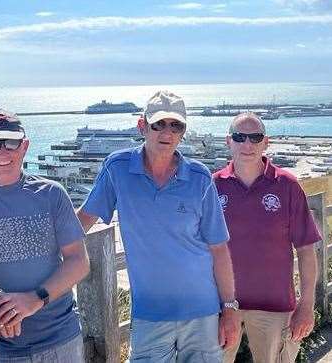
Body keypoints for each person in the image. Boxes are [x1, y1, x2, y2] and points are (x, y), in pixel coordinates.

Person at [77, 90, 240, 362]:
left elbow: (219, 248)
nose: (167, 132)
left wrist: (230, 308)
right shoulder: (117, 168)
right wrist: (43, 254)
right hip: (149, 314)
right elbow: (84, 219)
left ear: (183, 131)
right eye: (159, 124)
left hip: (203, 312)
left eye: (176, 125)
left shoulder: (199, 177)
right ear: (142, 126)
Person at [0, 109, 90, 362]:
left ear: (24, 146)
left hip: (60, 339)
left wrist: (35, 299)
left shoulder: (52, 194)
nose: (2, 152)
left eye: (11, 142)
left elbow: (78, 261)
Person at [214, 112, 320, 363]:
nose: (247, 144)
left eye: (255, 137)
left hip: (275, 306)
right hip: (223, 307)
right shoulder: (214, 186)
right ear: (228, 141)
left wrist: (306, 305)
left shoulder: (287, 185)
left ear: (266, 142)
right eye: (240, 137)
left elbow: (306, 250)